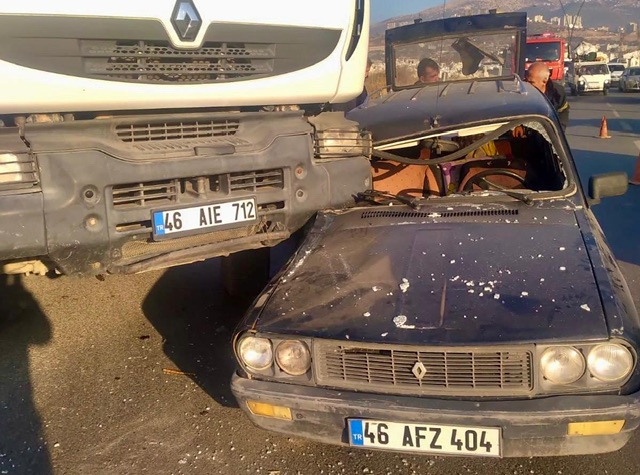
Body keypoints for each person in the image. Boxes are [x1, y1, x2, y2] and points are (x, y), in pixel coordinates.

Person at [526, 61, 569, 131]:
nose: (527, 85)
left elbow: (563, 114)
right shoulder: (521, 91)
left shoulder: (558, 93)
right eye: (526, 81)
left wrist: (557, 131)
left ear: (544, 81)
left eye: (531, 82)